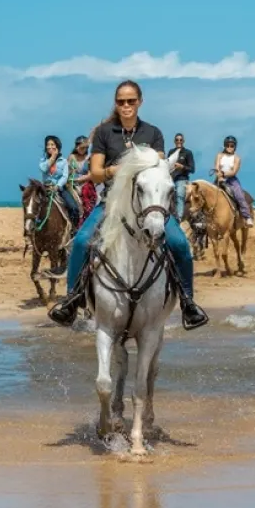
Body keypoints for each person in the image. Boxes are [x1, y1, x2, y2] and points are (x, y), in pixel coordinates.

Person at [48, 80, 209, 330]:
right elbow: (97, 172)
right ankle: (72, 299)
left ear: (140, 102)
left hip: (147, 203)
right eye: (121, 101)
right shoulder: (104, 133)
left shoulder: (153, 133)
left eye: (131, 101)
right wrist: (123, 168)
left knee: (180, 244)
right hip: (112, 202)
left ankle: (188, 302)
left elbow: (157, 164)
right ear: (116, 103)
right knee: (81, 241)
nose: (126, 106)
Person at [40, 135, 80, 226]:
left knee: (74, 208)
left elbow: (65, 176)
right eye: (48, 145)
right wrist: (52, 157)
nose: (50, 147)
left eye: (52, 144)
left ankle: (73, 229)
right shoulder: (43, 160)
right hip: (45, 188)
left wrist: (57, 186)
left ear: (57, 146)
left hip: (59, 188)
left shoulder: (64, 161)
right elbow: (44, 169)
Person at [214, 136, 254, 226]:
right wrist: (219, 175)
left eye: (231, 145)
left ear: (235, 147)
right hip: (219, 179)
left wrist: (223, 174)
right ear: (224, 146)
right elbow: (216, 167)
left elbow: (233, 171)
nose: (229, 147)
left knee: (239, 196)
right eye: (227, 145)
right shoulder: (219, 155)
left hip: (231, 180)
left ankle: (247, 217)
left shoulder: (237, 158)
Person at [68, 134, 99, 222]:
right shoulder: (71, 158)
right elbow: (68, 172)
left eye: (85, 148)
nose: (83, 150)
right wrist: (72, 180)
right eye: (81, 147)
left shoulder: (89, 158)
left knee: (87, 195)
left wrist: (78, 179)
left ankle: (86, 219)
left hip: (85, 184)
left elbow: (90, 175)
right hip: (72, 184)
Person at [167, 132, 195, 220]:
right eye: (177, 140)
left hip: (182, 179)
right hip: (171, 179)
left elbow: (192, 169)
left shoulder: (187, 153)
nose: (179, 141)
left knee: (179, 194)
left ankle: (179, 218)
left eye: (180, 140)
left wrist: (182, 167)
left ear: (183, 141)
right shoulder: (171, 152)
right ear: (174, 141)